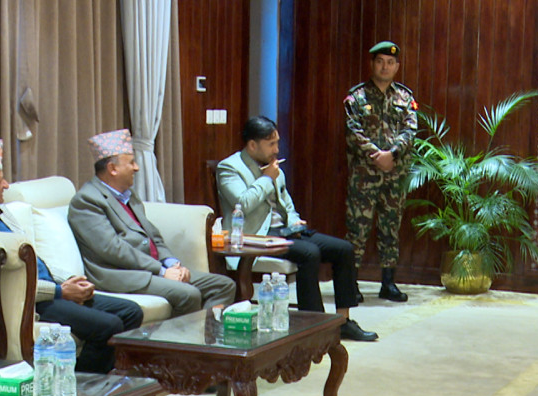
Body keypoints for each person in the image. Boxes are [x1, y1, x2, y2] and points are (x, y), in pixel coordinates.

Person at [0, 138, 143, 373]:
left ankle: (99, 375)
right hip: (31, 302)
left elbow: (35, 261)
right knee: (108, 325)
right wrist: (59, 291)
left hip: (52, 289)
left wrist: (68, 280)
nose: (6, 185)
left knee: (131, 312)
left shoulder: (0, 212)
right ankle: (81, 383)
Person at [217, 117, 378, 342]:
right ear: (252, 145)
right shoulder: (229, 168)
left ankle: (343, 322)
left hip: (284, 231)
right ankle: (315, 325)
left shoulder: (273, 167)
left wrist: (294, 221)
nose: (277, 149)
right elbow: (241, 204)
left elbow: (287, 204)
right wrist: (266, 179)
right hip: (257, 235)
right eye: (271, 144)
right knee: (309, 253)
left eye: (277, 142)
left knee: (344, 249)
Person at [68, 129, 236, 316]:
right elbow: (113, 249)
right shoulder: (87, 200)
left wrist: (172, 264)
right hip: (122, 274)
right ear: (112, 168)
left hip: (152, 269)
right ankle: (182, 335)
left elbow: (153, 236)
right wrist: (161, 271)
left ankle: (206, 332)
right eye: (131, 162)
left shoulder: (129, 195)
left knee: (223, 285)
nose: (137, 168)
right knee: (188, 294)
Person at [343, 40, 418, 303]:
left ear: (397, 66)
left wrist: (392, 154)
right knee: (357, 230)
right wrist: (378, 156)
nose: (385, 67)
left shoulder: (405, 98)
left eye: (390, 62)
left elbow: (410, 131)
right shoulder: (357, 98)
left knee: (391, 228)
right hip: (364, 176)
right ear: (372, 64)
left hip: (395, 175)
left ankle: (388, 284)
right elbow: (353, 132)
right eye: (380, 62)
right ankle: (350, 284)